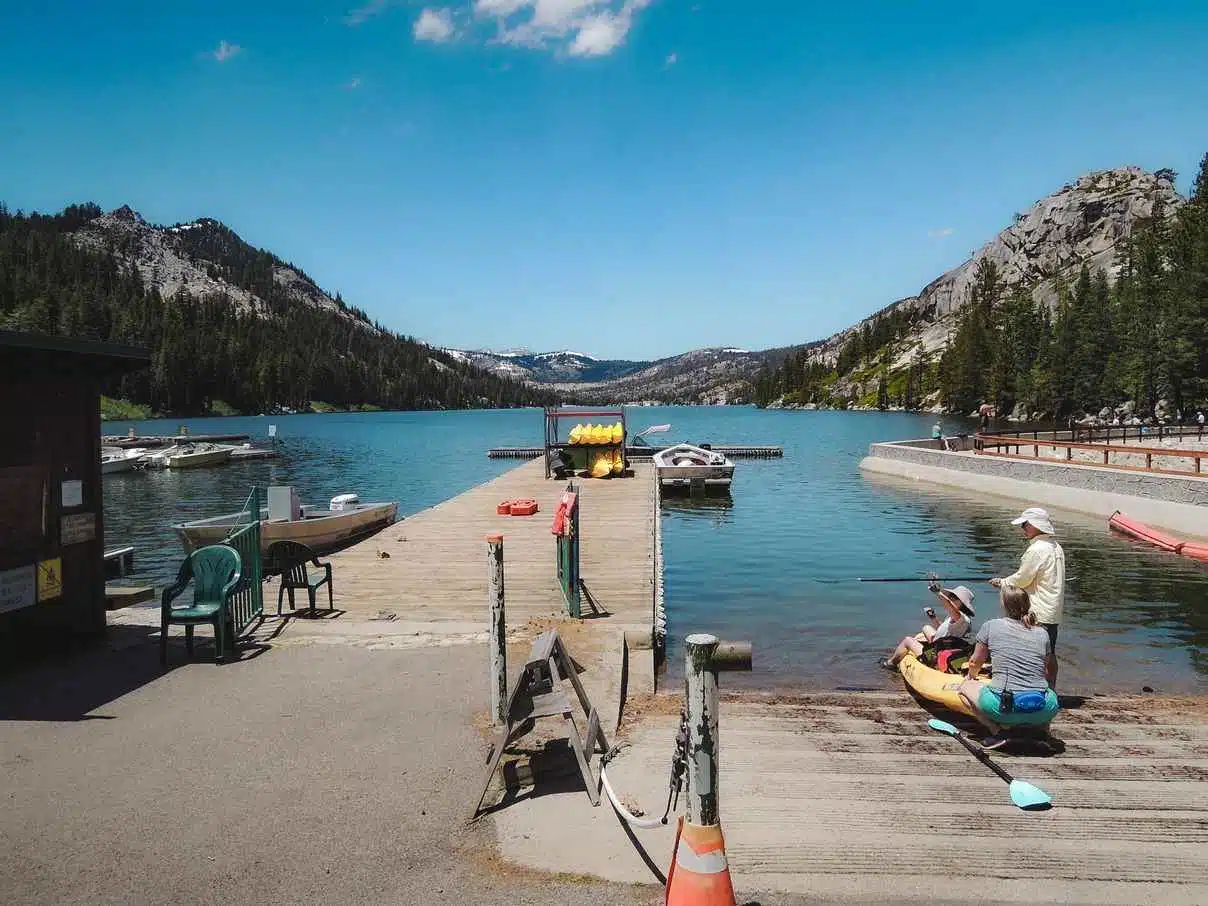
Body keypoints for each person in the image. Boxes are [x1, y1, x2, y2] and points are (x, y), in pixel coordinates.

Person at [958, 583, 1059, 748]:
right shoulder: (1042, 633)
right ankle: (1043, 732)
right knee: (1049, 688)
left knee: (963, 690)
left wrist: (970, 677)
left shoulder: (991, 626)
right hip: (1043, 708)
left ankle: (997, 732)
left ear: (1004, 605)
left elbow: (975, 662)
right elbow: (1044, 669)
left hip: (1005, 709)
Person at [991, 506, 1065, 689]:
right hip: (1053, 611)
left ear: (1034, 525)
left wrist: (1002, 582)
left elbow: (1022, 579)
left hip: (1038, 610)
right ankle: (1051, 689)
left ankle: (1032, 688)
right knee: (1050, 652)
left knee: (1032, 651)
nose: (1023, 528)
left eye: (1025, 524)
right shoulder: (1056, 547)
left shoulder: (1037, 549)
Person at [879, 585, 975, 671]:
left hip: (937, 653)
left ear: (962, 603)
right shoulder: (957, 617)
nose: (950, 599)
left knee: (908, 640)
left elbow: (949, 606)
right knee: (926, 628)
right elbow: (942, 630)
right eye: (950, 596)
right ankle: (922, 645)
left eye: (953, 598)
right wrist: (933, 617)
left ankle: (891, 663)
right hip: (943, 644)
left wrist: (938, 593)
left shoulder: (962, 618)